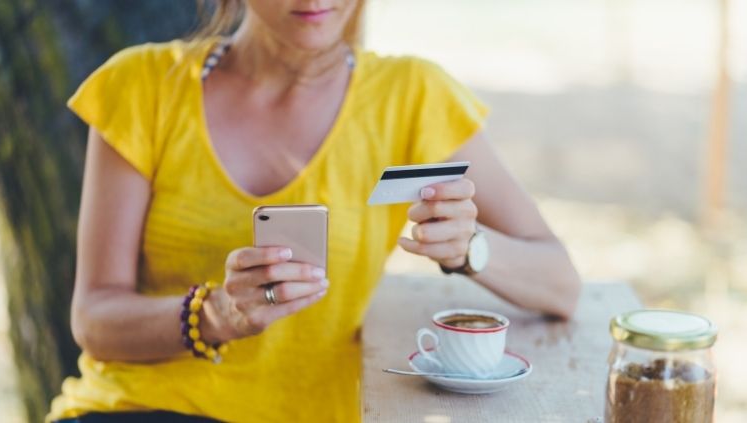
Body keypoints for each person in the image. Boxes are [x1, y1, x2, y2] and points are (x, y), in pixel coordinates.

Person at [48, 0, 581, 422]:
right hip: (136, 409)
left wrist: (469, 249)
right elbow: (95, 318)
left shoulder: (412, 96)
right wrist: (214, 317)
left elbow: (560, 284)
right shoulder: (142, 86)